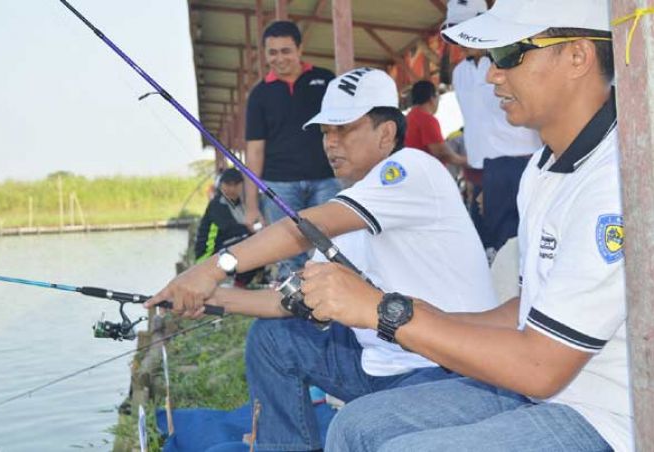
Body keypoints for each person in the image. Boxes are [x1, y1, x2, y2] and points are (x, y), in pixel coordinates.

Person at [316, 1, 631, 450]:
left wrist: (385, 314)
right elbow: (528, 309)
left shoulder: (616, 179)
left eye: (508, 54)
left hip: (607, 417)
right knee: (355, 425)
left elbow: (541, 368)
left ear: (578, 56)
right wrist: (425, 320)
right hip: (540, 393)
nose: (491, 75)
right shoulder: (543, 166)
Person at [147, 68, 498, 451]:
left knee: (358, 429)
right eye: (325, 132)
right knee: (272, 339)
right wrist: (211, 296)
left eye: (344, 129)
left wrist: (213, 268)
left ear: (386, 133)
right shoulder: (353, 204)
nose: (330, 143)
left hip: (440, 369)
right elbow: (292, 300)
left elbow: (298, 229)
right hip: (375, 366)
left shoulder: (412, 170)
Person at [244, 20, 340, 281]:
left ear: (300, 49)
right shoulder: (259, 95)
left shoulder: (326, 80)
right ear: (264, 54)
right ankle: (294, 314)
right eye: (272, 52)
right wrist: (251, 205)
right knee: (288, 254)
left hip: (327, 180)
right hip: (279, 187)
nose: (279, 58)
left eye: (286, 50)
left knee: (332, 248)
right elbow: (254, 150)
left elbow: (344, 129)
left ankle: (335, 313)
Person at [446, 0, 543, 256]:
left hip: (520, 163)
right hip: (480, 170)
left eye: (465, 28)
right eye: (455, 30)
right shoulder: (459, 73)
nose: (462, 38)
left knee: (519, 243)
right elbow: (473, 122)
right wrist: (473, 176)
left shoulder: (512, 58)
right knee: (487, 247)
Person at [194, 168, 258, 286]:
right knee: (252, 243)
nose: (232, 189)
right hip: (207, 255)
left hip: (225, 248)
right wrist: (253, 230)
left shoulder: (241, 204)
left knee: (258, 245)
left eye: (236, 185)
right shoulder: (217, 205)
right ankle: (237, 284)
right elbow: (229, 228)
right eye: (228, 184)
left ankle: (240, 284)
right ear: (221, 185)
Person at [404, 80, 467, 168]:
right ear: (432, 98)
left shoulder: (409, 117)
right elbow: (441, 153)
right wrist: (467, 161)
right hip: (427, 172)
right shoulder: (426, 119)